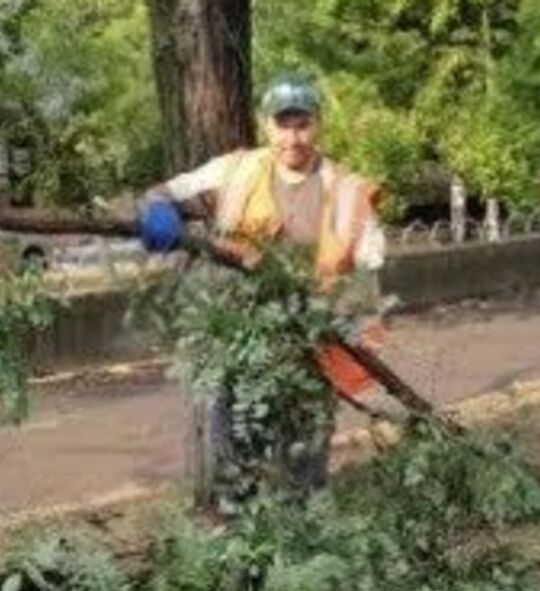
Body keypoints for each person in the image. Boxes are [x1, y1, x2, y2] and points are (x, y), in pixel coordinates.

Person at [136, 73, 386, 500]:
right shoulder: (237, 171)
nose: (293, 137)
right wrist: (158, 209)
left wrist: (346, 319)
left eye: (303, 124)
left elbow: (369, 264)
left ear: (318, 124)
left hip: (309, 342)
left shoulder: (346, 190)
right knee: (233, 450)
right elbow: (165, 191)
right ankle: (237, 521)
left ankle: (301, 524)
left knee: (304, 457)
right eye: (283, 125)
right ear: (266, 125)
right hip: (238, 334)